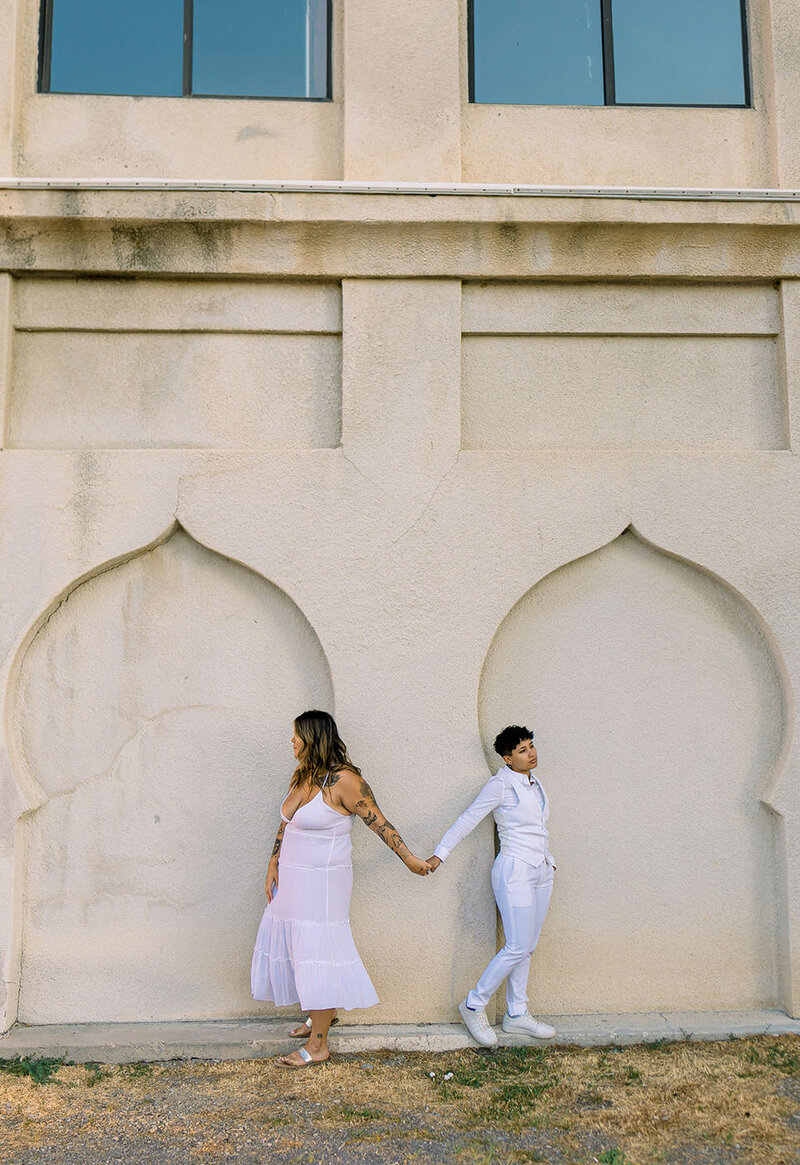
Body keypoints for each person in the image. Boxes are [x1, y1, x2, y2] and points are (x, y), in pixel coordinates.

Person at [251, 709, 430, 1068]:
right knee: (300, 947)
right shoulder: (303, 774)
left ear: (313, 737)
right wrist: (273, 863)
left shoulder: (346, 781)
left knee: (319, 949)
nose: (292, 740)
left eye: (296, 734)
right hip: (293, 879)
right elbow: (286, 823)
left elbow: (379, 822)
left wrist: (409, 858)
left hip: (323, 883)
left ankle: (319, 1044)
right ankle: (323, 1014)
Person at [426, 725, 556, 1046]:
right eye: (523, 750)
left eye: (531, 746)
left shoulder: (534, 783)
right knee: (516, 945)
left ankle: (516, 1013)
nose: (531, 753)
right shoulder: (501, 785)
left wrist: (548, 860)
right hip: (514, 871)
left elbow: (538, 827)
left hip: (540, 870)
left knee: (528, 946)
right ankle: (474, 1003)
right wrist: (439, 855)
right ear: (507, 758)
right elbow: (468, 819)